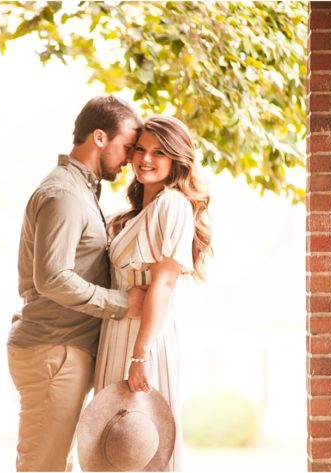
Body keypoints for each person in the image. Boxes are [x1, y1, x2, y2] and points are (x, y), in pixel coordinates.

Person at [7, 95, 143, 472]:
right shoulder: (65, 194)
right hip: (54, 351)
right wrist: (123, 303)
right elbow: (52, 277)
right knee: (43, 467)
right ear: (99, 137)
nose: (131, 158)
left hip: (62, 350)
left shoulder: (82, 191)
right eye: (127, 146)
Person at [95, 115, 212, 471]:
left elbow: (163, 283)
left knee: (140, 443)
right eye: (140, 150)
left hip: (142, 337)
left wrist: (140, 355)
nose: (146, 159)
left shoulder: (172, 205)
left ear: (177, 160)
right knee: (111, 445)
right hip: (116, 332)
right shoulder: (132, 215)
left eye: (159, 152)